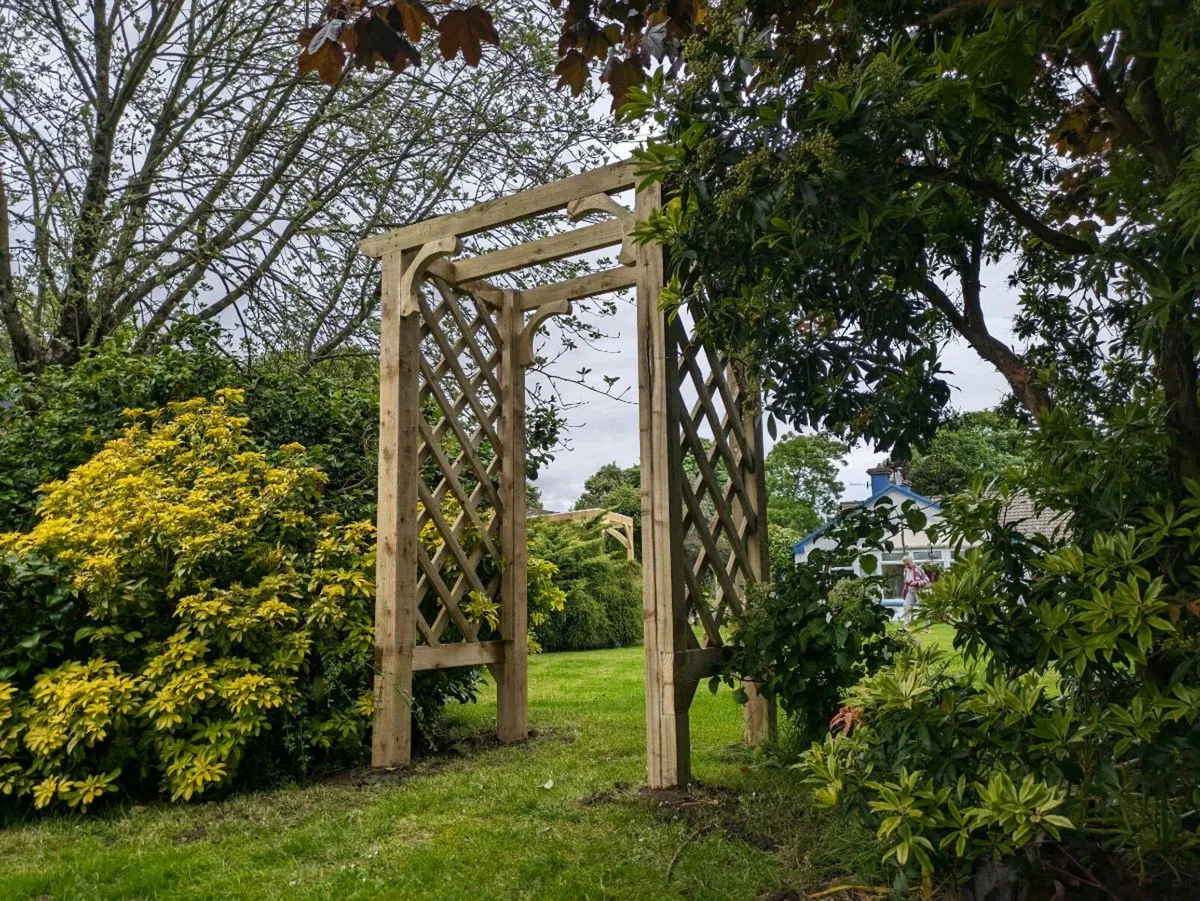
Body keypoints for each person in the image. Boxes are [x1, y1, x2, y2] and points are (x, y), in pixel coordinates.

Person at [901, 554, 930, 624]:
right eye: (905, 564)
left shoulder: (918, 569)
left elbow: (927, 580)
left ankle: (926, 627)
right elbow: (905, 581)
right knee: (906, 606)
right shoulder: (905, 570)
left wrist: (917, 583)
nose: (906, 566)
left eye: (907, 564)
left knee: (923, 608)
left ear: (911, 561)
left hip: (919, 591)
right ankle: (906, 626)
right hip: (910, 591)